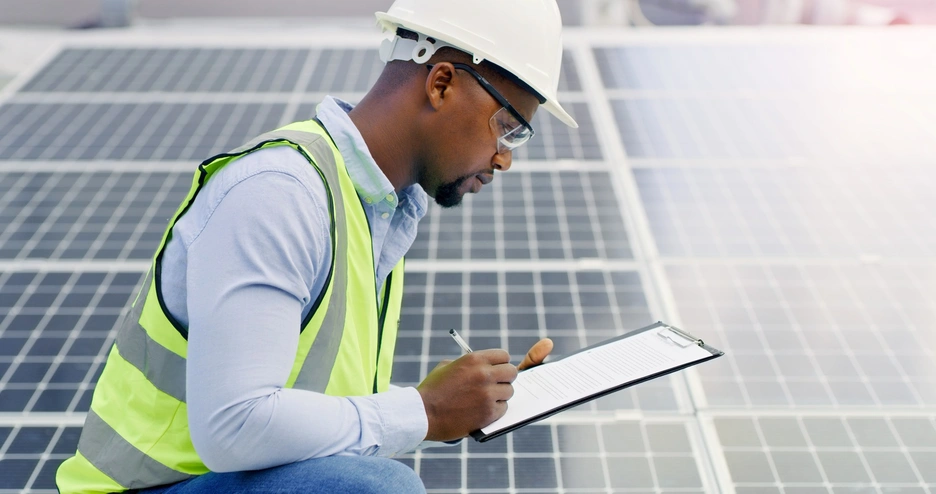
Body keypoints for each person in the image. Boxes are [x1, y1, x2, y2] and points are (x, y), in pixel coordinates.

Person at [56, 0, 578, 492]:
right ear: (441, 82)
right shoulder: (280, 194)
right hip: (149, 486)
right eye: (508, 128)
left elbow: (307, 406)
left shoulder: (375, 208)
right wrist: (424, 411)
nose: (505, 158)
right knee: (379, 488)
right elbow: (233, 425)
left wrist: (467, 400)